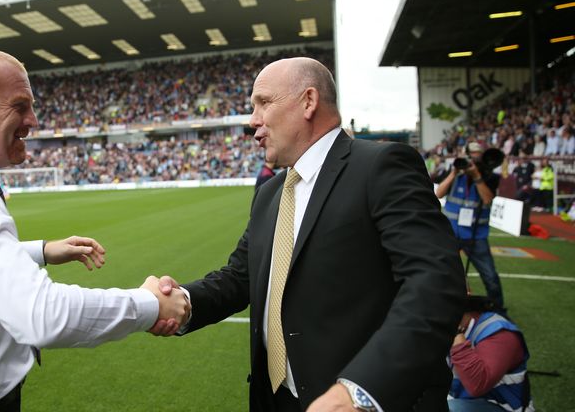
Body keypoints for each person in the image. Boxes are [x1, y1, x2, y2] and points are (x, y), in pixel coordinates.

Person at [0, 46, 189, 411]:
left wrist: (40, 250)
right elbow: (42, 315)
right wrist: (150, 304)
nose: (33, 120)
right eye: (20, 105)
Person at [152, 57, 465, 411]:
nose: (253, 120)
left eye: (264, 103)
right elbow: (241, 276)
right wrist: (182, 301)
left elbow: (435, 281)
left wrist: (361, 390)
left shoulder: (381, 166)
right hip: (277, 399)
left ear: (308, 101)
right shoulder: (270, 194)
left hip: (360, 401)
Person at [436, 142, 504, 310]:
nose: (473, 158)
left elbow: (487, 199)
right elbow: (439, 193)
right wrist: (453, 172)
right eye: (471, 154)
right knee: (443, 271)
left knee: (490, 276)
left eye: (477, 154)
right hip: (452, 233)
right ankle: (444, 304)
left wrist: (477, 177)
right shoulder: (456, 172)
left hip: (476, 235)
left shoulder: (490, 176)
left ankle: (498, 309)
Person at [448, 296, 533, 411]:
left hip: (502, 406)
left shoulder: (498, 333)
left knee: (449, 408)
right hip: (462, 398)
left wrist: (456, 334)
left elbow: (477, 384)